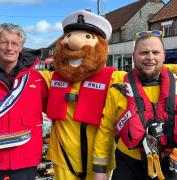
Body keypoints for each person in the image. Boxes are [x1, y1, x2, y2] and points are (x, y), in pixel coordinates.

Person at [40, 9, 117, 180]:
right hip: (63, 161)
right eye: (69, 36)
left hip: (98, 165)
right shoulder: (50, 78)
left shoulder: (113, 78)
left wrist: (171, 70)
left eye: (88, 37)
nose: (74, 42)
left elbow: (142, 78)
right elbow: (21, 76)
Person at [93, 30, 177, 180]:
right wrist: (100, 171)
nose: (150, 57)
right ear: (133, 56)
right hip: (128, 164)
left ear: (164, 55)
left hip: (168, 163)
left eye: (155, 52)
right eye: (144, 52)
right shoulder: (118, 91)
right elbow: (105, 131)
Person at [0, 23, 48, 180]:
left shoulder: (36, 79)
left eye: (15, 43)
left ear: (21, 47)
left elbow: (56, 110)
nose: (9, 48)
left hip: (25, 160)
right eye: (4, 42)